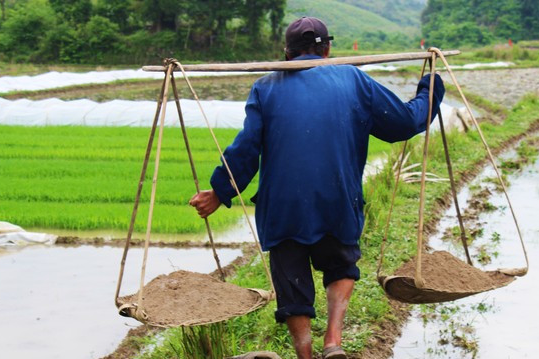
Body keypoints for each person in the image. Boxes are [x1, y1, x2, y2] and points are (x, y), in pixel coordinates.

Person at [189, 16, 444, 359]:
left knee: (291, 280)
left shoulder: (266, 87)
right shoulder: (352, 79)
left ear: (286, 52)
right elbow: (402, 123)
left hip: (284, 209)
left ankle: (306, 354)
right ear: (327, 49)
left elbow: (246, 149)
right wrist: (430, 88)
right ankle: (333, 342)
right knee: (341, 265)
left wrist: (220, 192)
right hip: (337, 200)